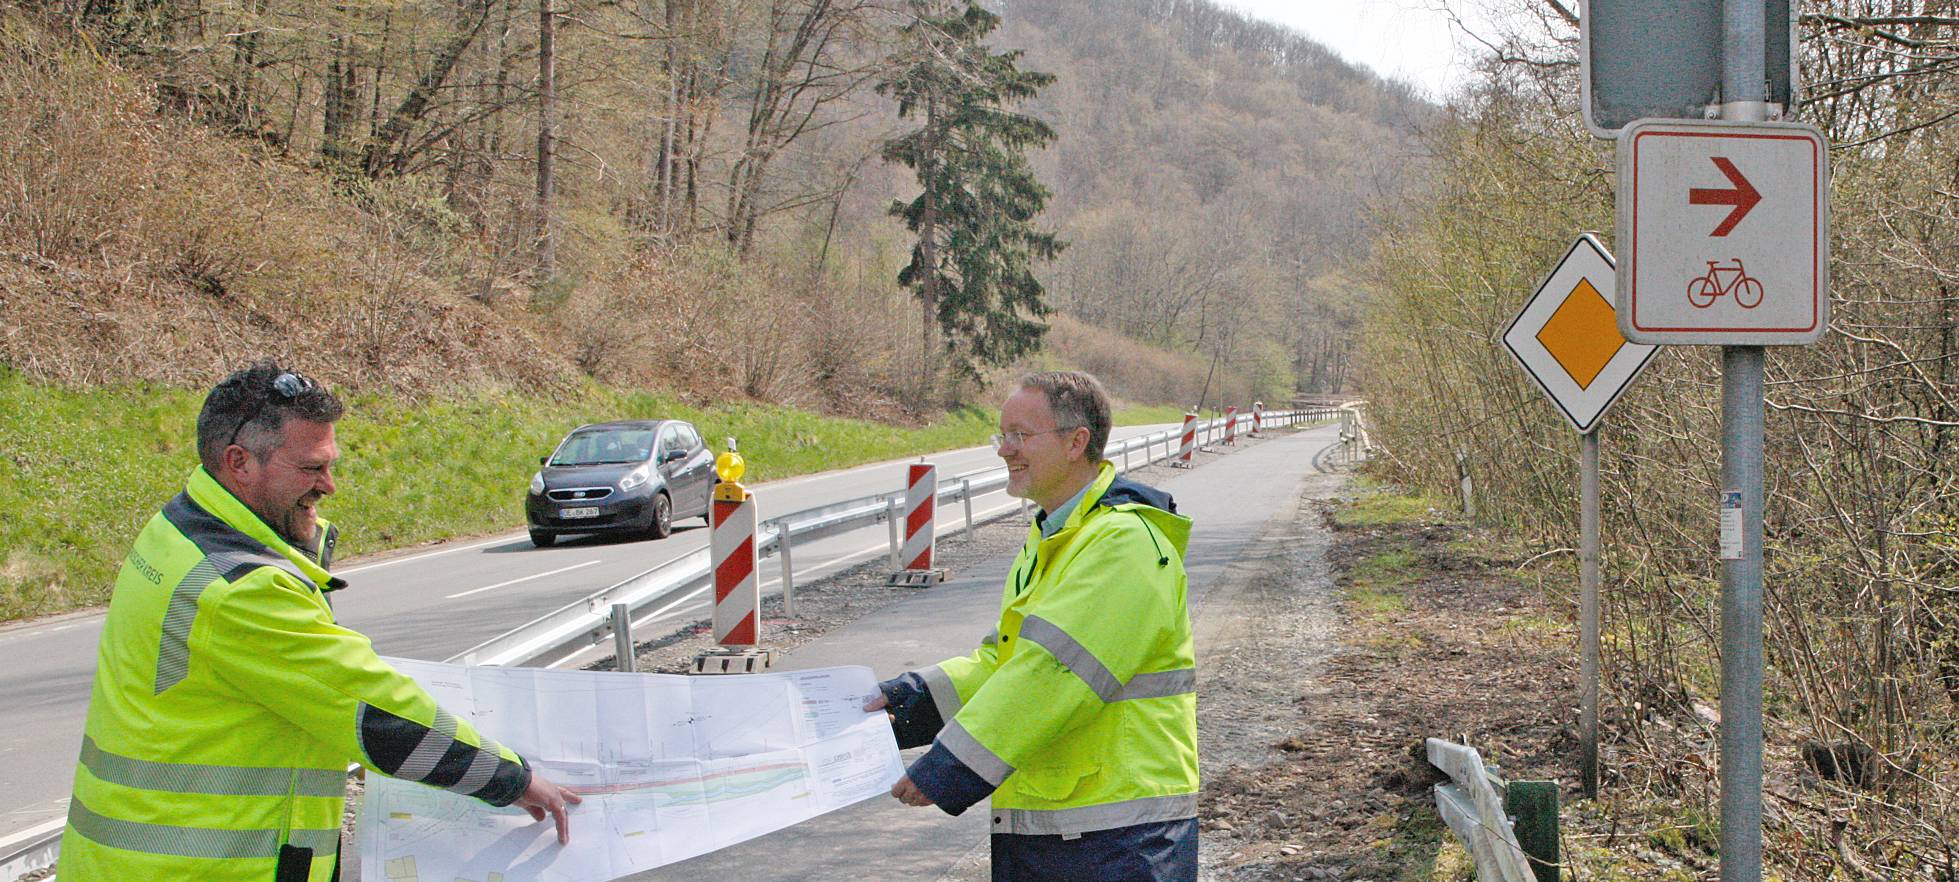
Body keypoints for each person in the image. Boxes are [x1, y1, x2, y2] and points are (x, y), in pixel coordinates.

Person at [58, 361, 580, 882]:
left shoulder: (177, 528)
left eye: (330, 464)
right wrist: (513, 779)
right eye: (311, 468)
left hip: (135, 858)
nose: (329, 486)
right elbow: (375, 714)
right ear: (238, 462)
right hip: (208, 868)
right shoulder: (243, 587)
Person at [866, 371, 1199, 881]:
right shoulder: (1054, 536)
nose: (1004, 449)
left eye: (1020, 436)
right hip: (1065, 824)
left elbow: (1052, 674)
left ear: (1075, 442)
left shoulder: (1122, 544)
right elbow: (1007, 664)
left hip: (1119, 839)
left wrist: (950, 767)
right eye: (1001, 435)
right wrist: (910, 701)